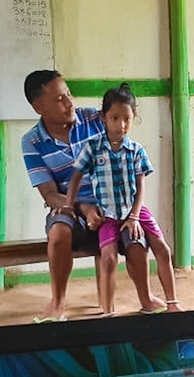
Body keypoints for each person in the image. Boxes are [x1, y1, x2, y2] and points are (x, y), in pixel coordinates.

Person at [21, 70, 149, 322]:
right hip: (71, 207)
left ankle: (146, 300)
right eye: (59, 99)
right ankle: (57, 305)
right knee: (58, 232)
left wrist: (122, 209)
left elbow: (126, 158)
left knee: (136, 237)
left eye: (68, 94)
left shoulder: (95, 118)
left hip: (114, 203)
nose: (70, 102)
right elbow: (49, 194)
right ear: (39, 107)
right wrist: (84, 208)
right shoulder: (32, 142)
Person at [65, 83, 181, 316]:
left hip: (135, 211)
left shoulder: (136, 150)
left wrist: (135, 217)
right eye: (114, 118)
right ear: (103, 118)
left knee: (163, 249)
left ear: (133, 118)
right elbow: (76, 175)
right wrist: (69, 205)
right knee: (108, 259)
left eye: (127, 119)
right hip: (108, 215)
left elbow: (140, 186)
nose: (121, 125)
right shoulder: (93, 148)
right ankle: (109, 313)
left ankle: (172, 302)